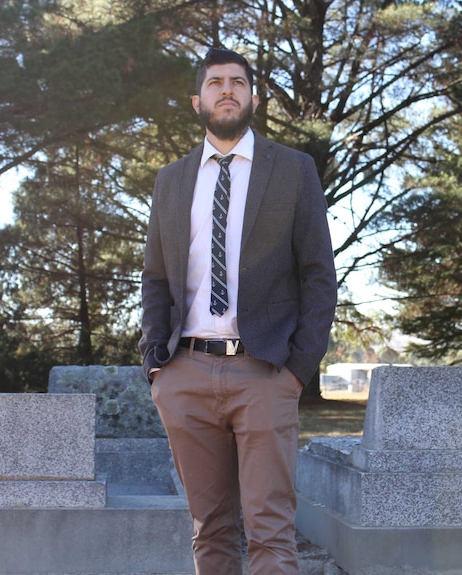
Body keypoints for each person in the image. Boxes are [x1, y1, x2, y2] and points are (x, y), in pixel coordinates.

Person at [139, 48, 337, 575]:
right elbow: (157, 278)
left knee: (270, 529)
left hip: (265, 371)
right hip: (185, 372)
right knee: (211, 530)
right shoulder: (171, 181)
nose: (227, 90)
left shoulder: (294, 170)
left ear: (253, 96)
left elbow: (318, 274)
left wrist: (297, 370)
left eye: (238, 82)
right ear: (197, 100)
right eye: (215, 82)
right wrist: (156, 366)